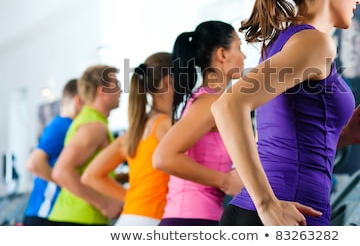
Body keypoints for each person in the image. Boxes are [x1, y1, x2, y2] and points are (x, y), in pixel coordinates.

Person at [211, 0, 360, 226]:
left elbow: (287, 137)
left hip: (267, 210)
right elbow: (228, 105)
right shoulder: (317, 44)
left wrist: (343, 137)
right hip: (287, 213)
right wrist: (267, 205)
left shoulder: (284, 40)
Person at [152, 20, 245, 226]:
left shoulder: (211, 101)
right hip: (190, 220)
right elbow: (163, 157)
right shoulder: (209, 103)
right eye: (239, 47)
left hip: (199, 218)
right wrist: (225, 180)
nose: (244, 56)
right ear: (222, 54)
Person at [82, 52, 173, 226]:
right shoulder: (166, 125)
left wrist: (133, 197)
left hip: (130, 217)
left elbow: (91, 175)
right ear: (168, 82)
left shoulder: (135, 130)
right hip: (153, 220)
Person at [49, 64, 123, 225]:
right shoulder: (94, 126)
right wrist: (104, 204)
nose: (121, 91)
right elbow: (61, 171)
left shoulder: (92, 121)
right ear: (101, 90)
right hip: (79, 219)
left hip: (80, 218)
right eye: (116, 85)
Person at [23, 79, 82, 225]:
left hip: (47, 213)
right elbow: (33, 163)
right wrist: (68, 184)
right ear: (78, 101)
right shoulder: (63, 125)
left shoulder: (63, 125)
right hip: (44, 213)